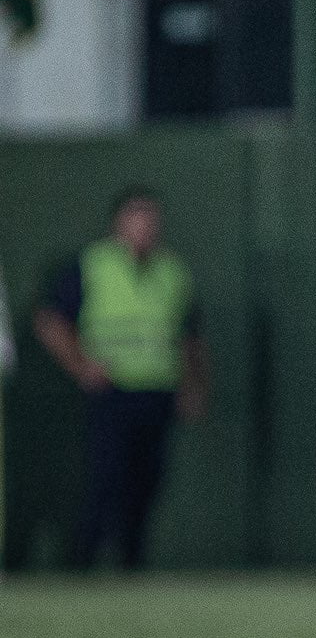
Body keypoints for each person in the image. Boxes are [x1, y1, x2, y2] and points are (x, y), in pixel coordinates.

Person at [33, 188, 208, 570]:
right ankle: (81, 564)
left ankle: (132, 565)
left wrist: (193, 386)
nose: (145, 227)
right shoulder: (93, 264)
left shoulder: (172, 271)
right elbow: (49, 320)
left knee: (147, 483)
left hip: (158, 390)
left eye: (152, 219)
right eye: (137, 218)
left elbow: (190, 336)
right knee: (105, 479)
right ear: (119, 222)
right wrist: (82, 366)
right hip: (112, 392)